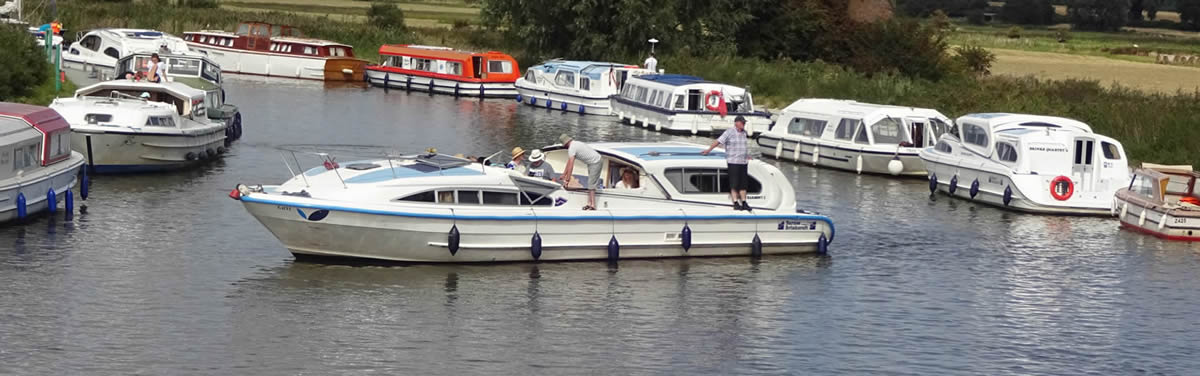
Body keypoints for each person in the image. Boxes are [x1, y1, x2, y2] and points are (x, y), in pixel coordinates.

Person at [701, 115, 752, 211]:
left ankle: (744, 202)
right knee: (734, 184)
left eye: (744, 123)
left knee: (743, 184)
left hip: (743, 162)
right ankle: (736, 203)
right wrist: (709, 150)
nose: (744, 124)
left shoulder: (744, 133)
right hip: (733, 161)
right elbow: (718, 141)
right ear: (737, 123)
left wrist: (747, 155)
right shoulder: (729, 132)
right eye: (742, 123)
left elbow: (743, 146)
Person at [557, 134, 603, 210]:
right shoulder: (575, 144)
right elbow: (569, 162)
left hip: (596, 162)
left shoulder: (572, 148)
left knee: (591, 184)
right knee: (590, 183)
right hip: (592, 162)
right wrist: (564, 174)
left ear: (565, 143)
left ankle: (593, 205)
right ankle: (589, 203)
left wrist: (568, 179)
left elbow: (571, 164)